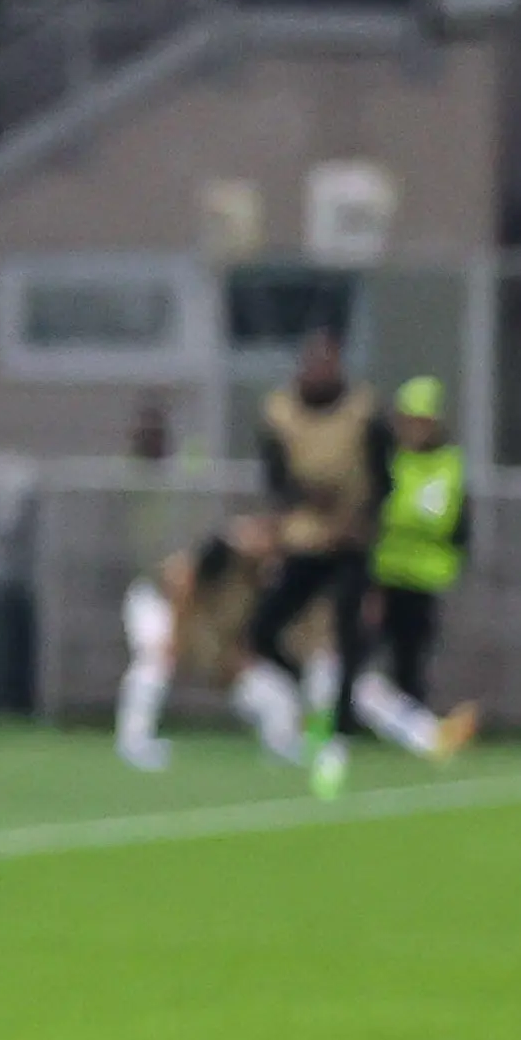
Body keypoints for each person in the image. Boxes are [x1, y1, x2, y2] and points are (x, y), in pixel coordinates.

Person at [233, 329, 384, 789]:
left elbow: (384, 475)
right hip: (304, 537)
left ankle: (337, 730)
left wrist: (361, 518)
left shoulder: (364, 411)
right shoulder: (281, 412)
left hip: (351, 539)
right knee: (262, 630)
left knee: (347, 630)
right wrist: (303, 501)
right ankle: (301, 696)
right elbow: (275, 477)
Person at [354, 375, 477, 760]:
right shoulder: (389, 461)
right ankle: (416, 733)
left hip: (422, 577)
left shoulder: (447, 464)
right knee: (353, 668)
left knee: (405, 663)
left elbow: (444, 520)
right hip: (384, 573)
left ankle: (419, 734)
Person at [116, 518, 274, 770]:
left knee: (238, 675)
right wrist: (175, 636)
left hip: (195, 617)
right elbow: (181, 581)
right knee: (155, 663)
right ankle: (134, 743)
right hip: (157, 601)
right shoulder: (220, 555)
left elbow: (229, 617)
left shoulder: (255, 577)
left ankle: (279, 740)